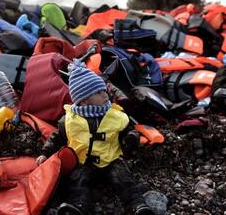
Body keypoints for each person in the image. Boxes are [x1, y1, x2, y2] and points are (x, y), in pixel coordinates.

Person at [37, 64, 155, 215]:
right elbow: (56, 137)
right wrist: (46, 153)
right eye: (98, 93)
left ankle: (138, 205)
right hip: (83, 162)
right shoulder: (69, 120)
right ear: (84, 100)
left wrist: (131, 137)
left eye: (104, 90)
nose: (105, 95)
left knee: (124, 179)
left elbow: (127, 130)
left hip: (111, 159)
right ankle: (77, 207)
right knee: (77, 181)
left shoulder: (115, 115)